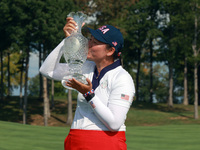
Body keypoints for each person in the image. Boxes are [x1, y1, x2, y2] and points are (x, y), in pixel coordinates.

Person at [40, 17, 135, 150]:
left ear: (110, 51)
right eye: (90, 39)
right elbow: (47, 70)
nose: (87, 44)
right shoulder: (85, 67)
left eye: (94, 42)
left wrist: (89, 94)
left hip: (105, 144)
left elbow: (114, 123)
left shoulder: (122, 78)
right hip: (76, 139)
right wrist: (67, 41)